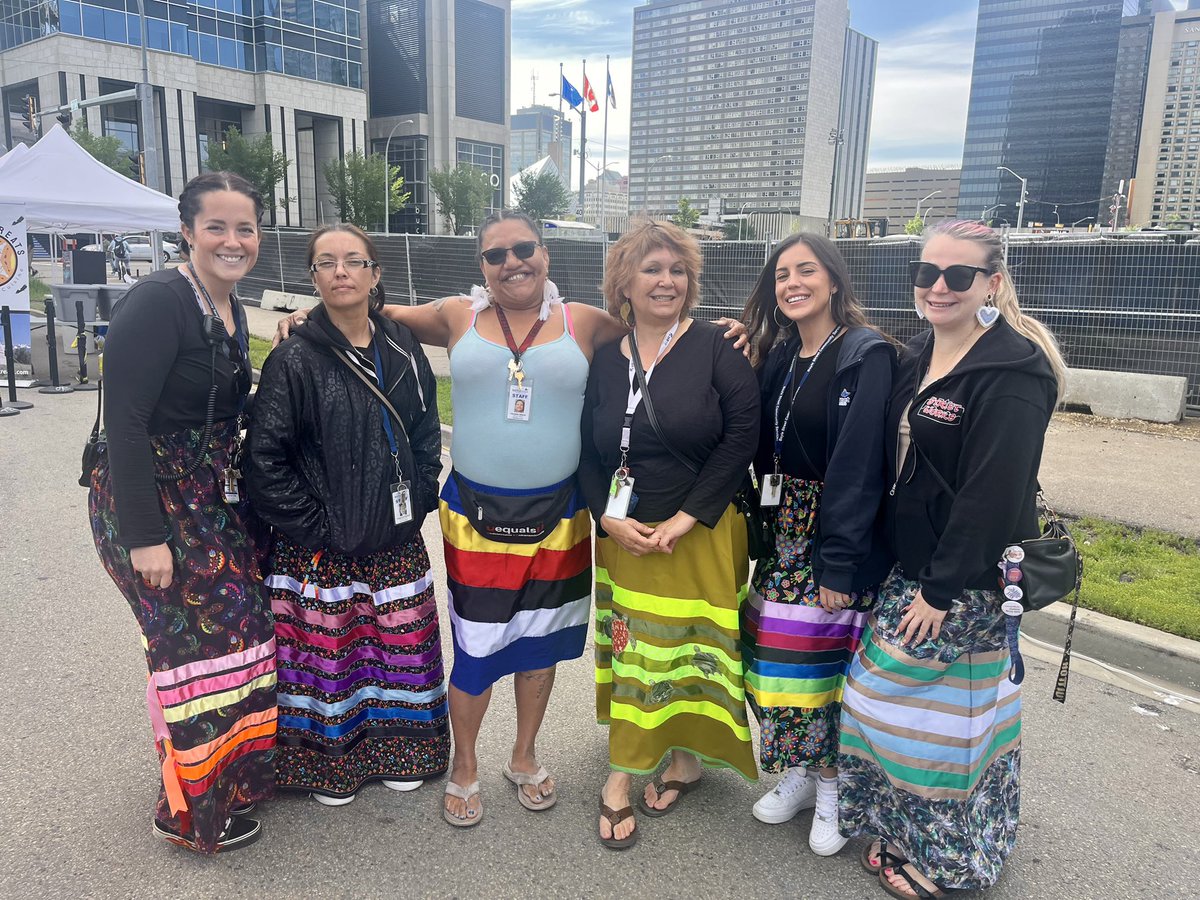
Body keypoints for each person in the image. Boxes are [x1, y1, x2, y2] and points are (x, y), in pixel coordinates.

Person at [272, 210, 747, 827]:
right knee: (475, 651)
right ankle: (465, 765)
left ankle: (524, 756)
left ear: (545, 254)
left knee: (538, 648)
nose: (511, 262)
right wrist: (304, 315)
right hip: (474, 515)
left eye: (523, 248)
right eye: (496, 255)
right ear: (482, 266)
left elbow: (662, 331)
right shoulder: (455, 315)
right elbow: (367, 310)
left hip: (561, 515)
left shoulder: (586, 323)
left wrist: (730, 330)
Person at [838, 220, 1066, 897]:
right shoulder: (917, 356)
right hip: (910, 572)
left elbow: (990, 498)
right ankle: (915, 834)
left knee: (941, 733)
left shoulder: (1013, 373)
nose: (938, 286)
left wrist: (937, 593)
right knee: (912, 724)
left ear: (991, 283)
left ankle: (951, 865)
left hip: (961, 585)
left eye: (958, 275)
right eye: (927, 272)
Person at [87, 172, 274, 853]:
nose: (233, 240)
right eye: (217, 227)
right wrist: (145, 539)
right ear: (187, 230)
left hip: (208, 498)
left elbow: (223, 410)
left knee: (242, 632)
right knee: (183, 649)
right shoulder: (159, 300)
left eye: (245, 228)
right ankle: (189, 806)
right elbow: (127, 426)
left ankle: (231, 776)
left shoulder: (228, 305)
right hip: (152, 503)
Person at [245, 223, 447, 807]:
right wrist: (320, 527)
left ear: (374, 274)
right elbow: (266, 460)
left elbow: (426, 431)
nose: (340, 271)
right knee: (331, 657)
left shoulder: (403, 347)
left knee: (396, 650)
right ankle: (330, 768)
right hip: (320, 547)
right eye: (326, 262)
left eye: (353, 261)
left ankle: (404, 751)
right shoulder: (294, 357)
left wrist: (422, 494)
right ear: (312, 278)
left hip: (395, 535)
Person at [578, 221, 760, 850]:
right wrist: (605, 515)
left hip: (702, 531)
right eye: (652, 269)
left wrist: (688, 517)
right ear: (623, 281)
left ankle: (685, 759)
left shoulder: (718, 348)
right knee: (636, 653)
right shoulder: (606, 359)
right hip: (625, 534)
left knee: (690, 649)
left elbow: (742, 436)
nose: (667, 281)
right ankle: (621, 775)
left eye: (678, 270)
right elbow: (588, 450)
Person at [739, 234, 895, 856]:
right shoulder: (781, 356)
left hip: (832, 533)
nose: (792, 283)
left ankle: (833, 790)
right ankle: (799, 774)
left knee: (822, 667)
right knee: (775, 661)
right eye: (782, 275)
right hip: (784, 532)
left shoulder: (864, 355)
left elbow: (859, 469)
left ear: (834, 280)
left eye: (806, 270)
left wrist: (840, 562)